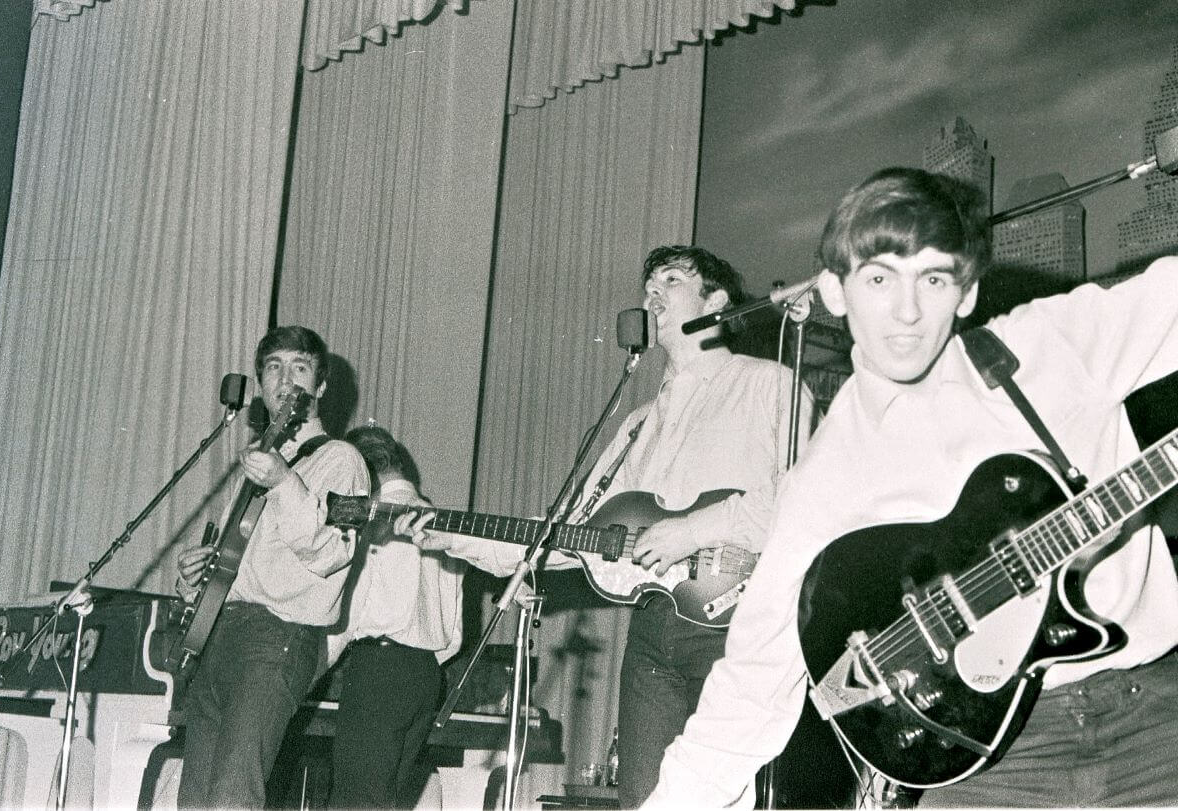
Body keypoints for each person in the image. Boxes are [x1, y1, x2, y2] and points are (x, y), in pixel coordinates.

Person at [644, 168, 1178, 807]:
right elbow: (754, 682)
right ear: (836, 293)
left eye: (933, 278)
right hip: (995, 761)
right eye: (878, 278)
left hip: (1155, 714)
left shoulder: (1048, 346)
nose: (907, 311)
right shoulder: (826, 477)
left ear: (966, 292)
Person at [405, 245, 812, 807]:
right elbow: (568, 536)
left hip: (742, 625)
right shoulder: (637, 425)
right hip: (649, 634)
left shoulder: (770, 385)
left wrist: (692, 530)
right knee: (642, 799)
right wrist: (450, 534)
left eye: (671, 279)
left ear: (716, 302)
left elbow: (801, 505)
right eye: (648, 284)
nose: (652, 293)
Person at [174, 325, 369, 809]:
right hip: (221, 634)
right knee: (194, 800)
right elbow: (236, 565)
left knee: (233, 797)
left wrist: (285, 483)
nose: (286, 379)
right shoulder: (260, 461)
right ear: (260, 383)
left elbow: (331, 553)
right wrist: (194, 579)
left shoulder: (345, 461)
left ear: (320, 387)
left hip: (277, 639)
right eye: (274, 367)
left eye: (300, 368)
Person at [324, 424, 467, 808]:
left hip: (378, 670)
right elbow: (454, 634)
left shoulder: (371, 521)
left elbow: (345, 614)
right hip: (424, 677)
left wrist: (306, 671)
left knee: (355, 802)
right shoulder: (447, 527)